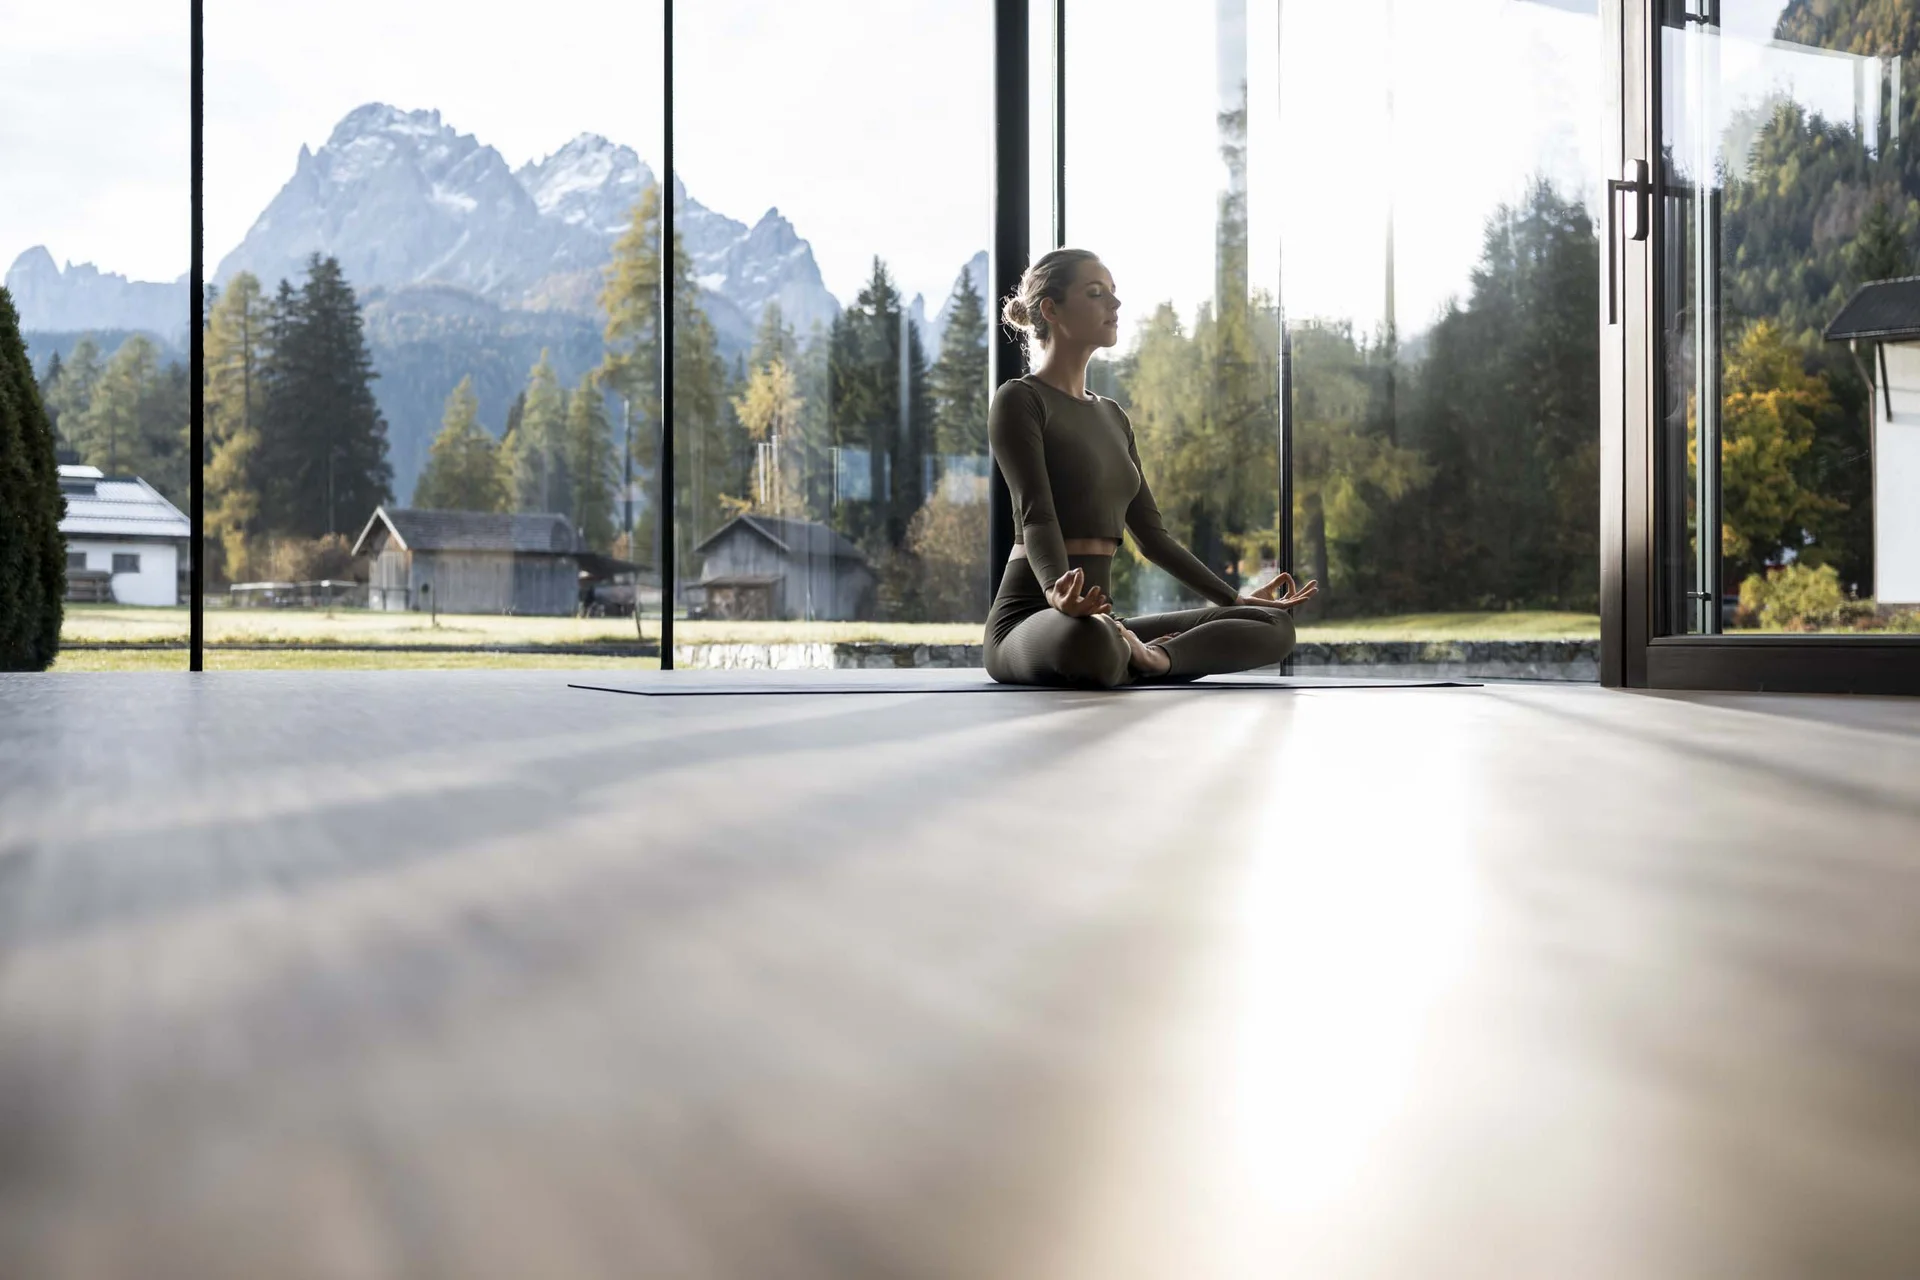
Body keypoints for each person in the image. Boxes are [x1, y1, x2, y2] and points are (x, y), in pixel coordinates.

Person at [985, 248, 1317, 688]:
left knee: (1271, 624)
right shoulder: (1020, 400)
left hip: (1100, 619)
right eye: (1096, 293)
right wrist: (1056, 593)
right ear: (1051, 309)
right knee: (1096, 642)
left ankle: (1155, 659)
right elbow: (1036, 515)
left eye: (1114, 293)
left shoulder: (1113, 416)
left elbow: (1154, 539)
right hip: (1033, 616)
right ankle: (1126, 651)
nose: (1115, 304)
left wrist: (1233, 598)